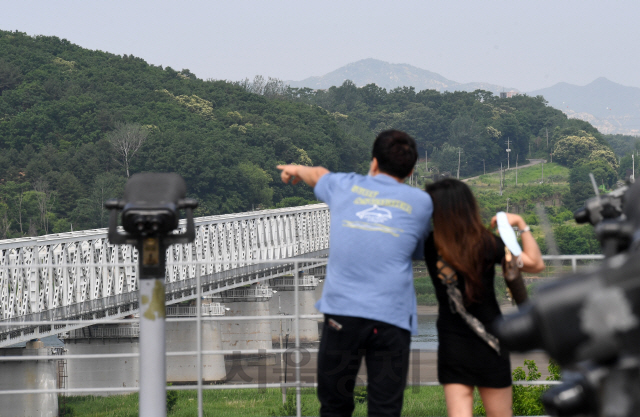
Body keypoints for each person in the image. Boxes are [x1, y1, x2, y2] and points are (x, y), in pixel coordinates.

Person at [277, 130, 433, 417]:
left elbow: (319, 173)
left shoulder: (343, 186)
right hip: (391, 318)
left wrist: (296, 169)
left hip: (342, 315)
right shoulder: (421, 203)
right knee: (385, 408)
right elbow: (419, 247)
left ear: (374, 163)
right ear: (411, 171)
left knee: (335, 405)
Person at [423, 178, 544, 417]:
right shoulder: (489, 243)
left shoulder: (430, 244)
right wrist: (521, 224)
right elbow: (535, 264)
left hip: (452, 342)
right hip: (492, 341)